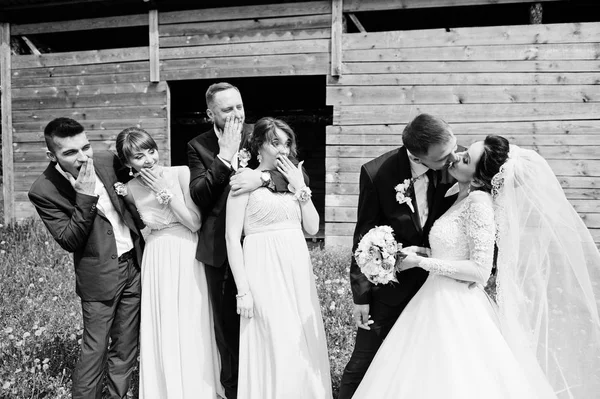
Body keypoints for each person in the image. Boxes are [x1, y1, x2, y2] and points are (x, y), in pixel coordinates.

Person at [353, 135, 600, 398]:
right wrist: (421, 251)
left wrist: (421, 262)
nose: (456, 157)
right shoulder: (459, 197)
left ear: (480, 178)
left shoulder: (479, 204)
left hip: (456, 304)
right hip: (434, 297)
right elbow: (456, 250)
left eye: (466, 159)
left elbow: (481, 271)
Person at [187, 82, 305, 399]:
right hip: (221, 249)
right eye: (228, 109)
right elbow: (199, 196)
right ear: (210, 113)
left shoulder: (259, 134)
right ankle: (235, 391)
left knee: (272, 323)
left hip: (264, 246)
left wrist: (263, 177)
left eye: (239, 106)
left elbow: (294, 173)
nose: (237, 114)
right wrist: (224, 157)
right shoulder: (197, 145)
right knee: (229, 329)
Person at [338, 113, 461, 398]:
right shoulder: (376, 173)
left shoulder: (459, 163)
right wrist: (361, 295)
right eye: (444, 157)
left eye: (454, 148)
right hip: (391, 288)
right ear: (417, 157)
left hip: (441, 289)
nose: (454, 158)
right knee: (363, 363)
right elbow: (363, 237)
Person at [28, 117, 144, 399]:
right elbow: (69, 240)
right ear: (52, 155)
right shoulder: (43, 190)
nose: (82, 158)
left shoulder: (105, 159)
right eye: (70, 152)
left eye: (85, 148)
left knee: (126, 347)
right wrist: (84, 196)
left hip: (134, 264)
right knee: (95, 350)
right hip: (100, 276)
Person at [225, 117, 332, 399]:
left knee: (300, 340)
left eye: (287, 143)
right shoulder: (243, 182)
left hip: (296, 269)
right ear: (259, 145)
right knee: (275, 339)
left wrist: (301, 188)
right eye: (275, 143)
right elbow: (232, 239)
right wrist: (243, 291)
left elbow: (311, 227)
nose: (283, 150)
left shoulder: (296, 179)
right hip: (263, 271)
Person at [115, 127, 221, 398]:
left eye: (151, 151)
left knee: (192, 317)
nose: (149, 159)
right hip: (157, 256)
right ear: (127, 162)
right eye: (139, 157)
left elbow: (194, 222)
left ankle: (200, 387)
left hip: (186, 250)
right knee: (163, 322)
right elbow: (140, 228)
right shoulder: (128, 190)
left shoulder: (180, 173)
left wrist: (165, 192)